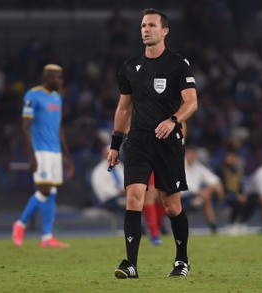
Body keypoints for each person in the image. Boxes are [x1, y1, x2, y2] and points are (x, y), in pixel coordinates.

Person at [107, 8, 198, 278]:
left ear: (164, 31)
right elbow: (124, 109)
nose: (146, 29)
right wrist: (115, 144)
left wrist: (173, 119)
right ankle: (130, 264)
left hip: (168, 141)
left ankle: (182, 260)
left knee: (171, 206)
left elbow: (191, 102)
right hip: (138, 141)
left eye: (151, 25)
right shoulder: (130, 67)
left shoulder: (178, 64)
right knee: (134, 197)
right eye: (143, 26)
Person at [12, 64, 75, 248]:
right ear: (48, 77)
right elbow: (26, 127)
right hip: (41, 150)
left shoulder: (57, 98)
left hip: (55, 151)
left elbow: (59, 128)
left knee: (52, 191)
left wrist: (67, 156)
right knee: (45, 190)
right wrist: (31, 155)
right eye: (58, 77)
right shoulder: (33, 95)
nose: (61, 81)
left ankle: (47, 237)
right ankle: (20, 223)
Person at [182, 144, 224, 234]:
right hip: (182, 197)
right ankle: (213, 226)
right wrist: (200, 192)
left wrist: (218, 186)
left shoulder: (198, 167)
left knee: (211, 190)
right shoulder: (179, 165)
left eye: (193, 153)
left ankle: (213, 226)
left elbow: (214, 180)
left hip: (197, 196)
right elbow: (186, 186)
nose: (191, 156)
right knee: (206, 197)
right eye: (189, 153)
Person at [91, 146, 126, 211]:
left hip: (123, 196)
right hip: (108, 199)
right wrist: (118, 191)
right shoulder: (99, 171)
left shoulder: (120, 166)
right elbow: (103, 190)